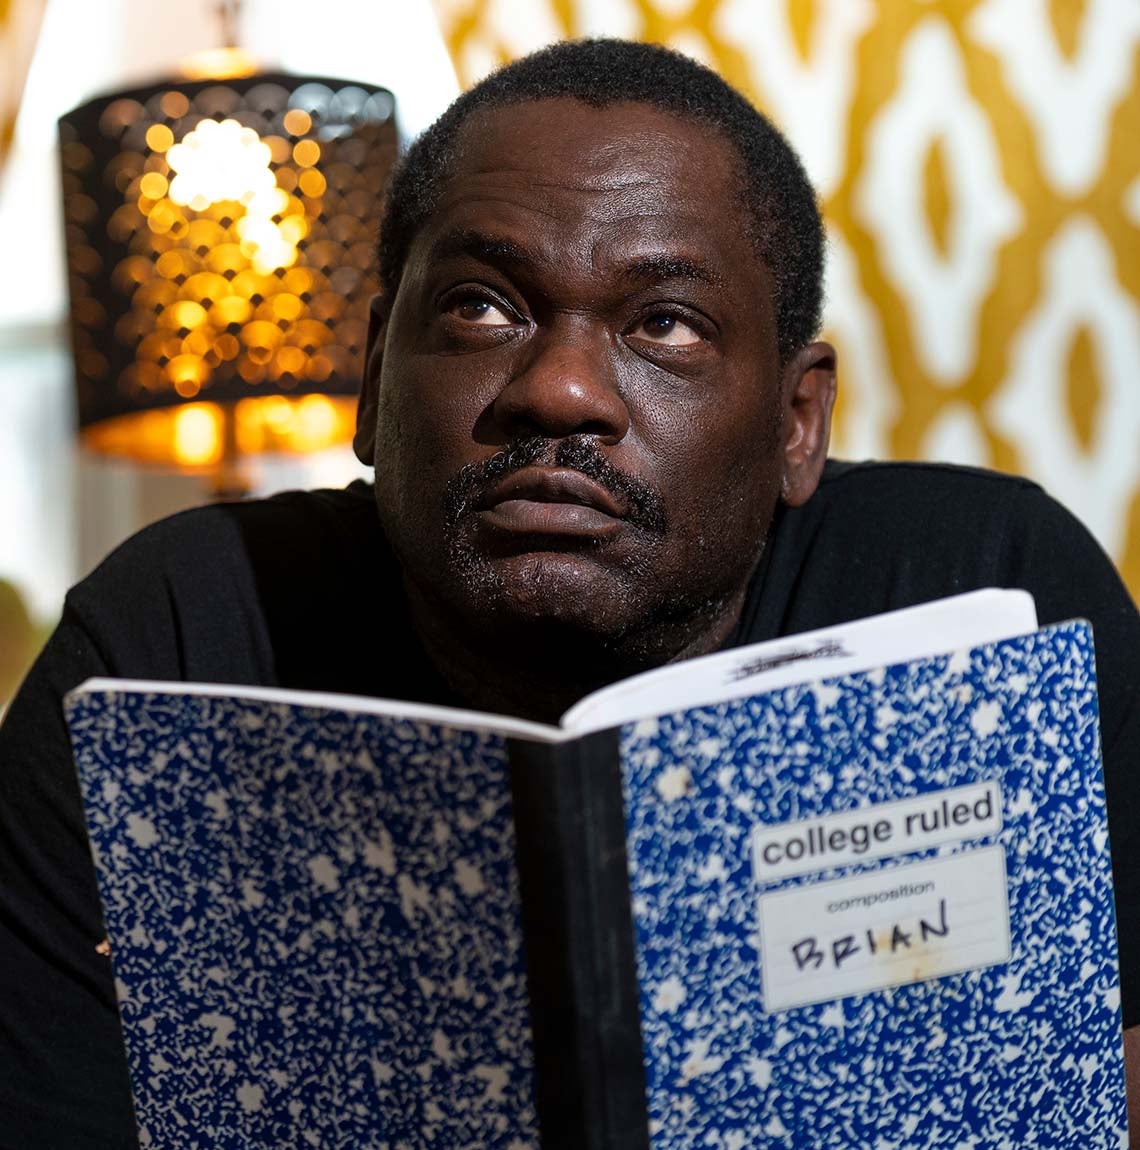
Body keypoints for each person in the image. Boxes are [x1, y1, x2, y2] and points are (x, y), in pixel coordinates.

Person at [1, 38, 1137, 1148]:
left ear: (798, 423)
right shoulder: (177, 642)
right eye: (482, 308)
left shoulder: (991, 595)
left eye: (665, 324)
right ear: (371, 377)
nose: (562, 390)